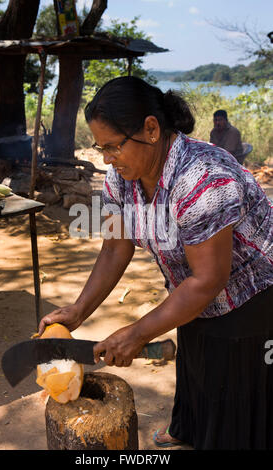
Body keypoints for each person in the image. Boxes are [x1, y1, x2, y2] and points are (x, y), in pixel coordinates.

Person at [38, 77, 273, 450]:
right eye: (102, 149)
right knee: (196, 358)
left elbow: (208, 281)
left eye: (113, 146)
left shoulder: (203, 178)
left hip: (251, 297)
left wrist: (137, 333)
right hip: (191, 291)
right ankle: (189, 428)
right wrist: (79, 310)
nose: (107, 159)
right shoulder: (121, 177)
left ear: (151, 129)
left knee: (232, 388)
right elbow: (116, 247)